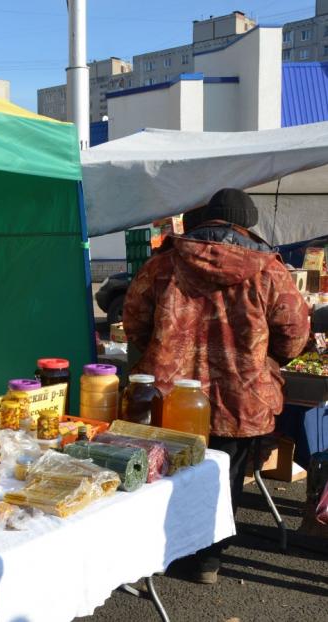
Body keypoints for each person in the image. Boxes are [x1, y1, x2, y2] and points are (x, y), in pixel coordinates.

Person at [123, 187, 310, 584]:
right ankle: (207, 559)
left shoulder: (163, 264)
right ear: (247, 223)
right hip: (241, 395)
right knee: (223, 476)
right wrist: (262, 358)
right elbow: (295, 331)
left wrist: (161, 352)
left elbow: (135, 319)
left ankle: (158, 551)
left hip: (168, 394)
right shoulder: (270, 269)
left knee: (163, 472)